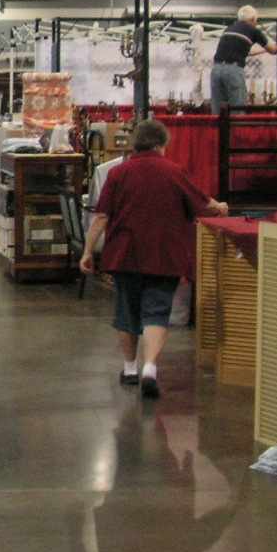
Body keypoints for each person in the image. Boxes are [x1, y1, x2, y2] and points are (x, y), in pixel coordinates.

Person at [80, 119, 226, 399]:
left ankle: (129, 369)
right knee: (157, 312)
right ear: (161, 144)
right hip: (163, 255)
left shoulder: (118, 173)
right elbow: (202, 203)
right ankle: (149, 368)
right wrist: (220, 207)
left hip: (125, 254)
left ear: (136, 143)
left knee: (126, 312)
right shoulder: (174, 171)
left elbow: (101, 217)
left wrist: (87, 251)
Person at [209, 5, 277, 115]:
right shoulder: (254, 30)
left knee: (218, 111)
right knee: (237, 109)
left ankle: (218, 126)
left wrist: (263, 51)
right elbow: (272, 50)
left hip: (216, 70)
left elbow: (245, 52)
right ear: (253, 19)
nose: (256, 23)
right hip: (233, 70)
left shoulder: (229, 29)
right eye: (256, 20)